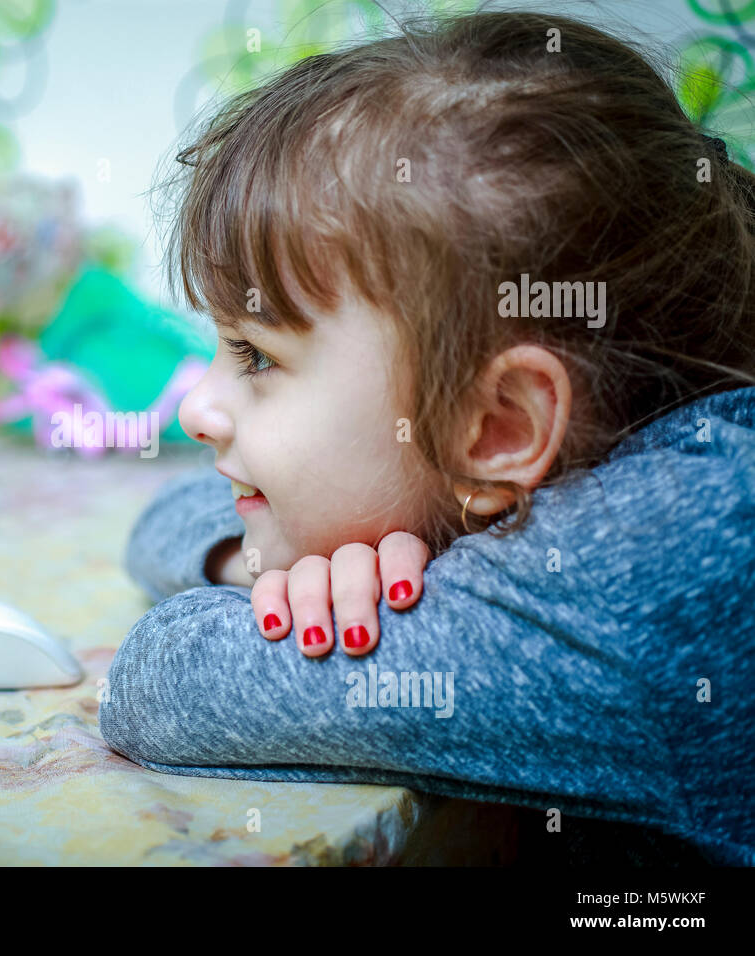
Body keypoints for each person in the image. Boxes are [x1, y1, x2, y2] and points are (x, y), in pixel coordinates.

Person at [98, 9, 755, 865]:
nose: (195, 407)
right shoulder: (594, 472)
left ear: (498, 427)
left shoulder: (673, 558)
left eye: (257, 355)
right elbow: (169, 520)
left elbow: (160, 684)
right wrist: (281, 568)